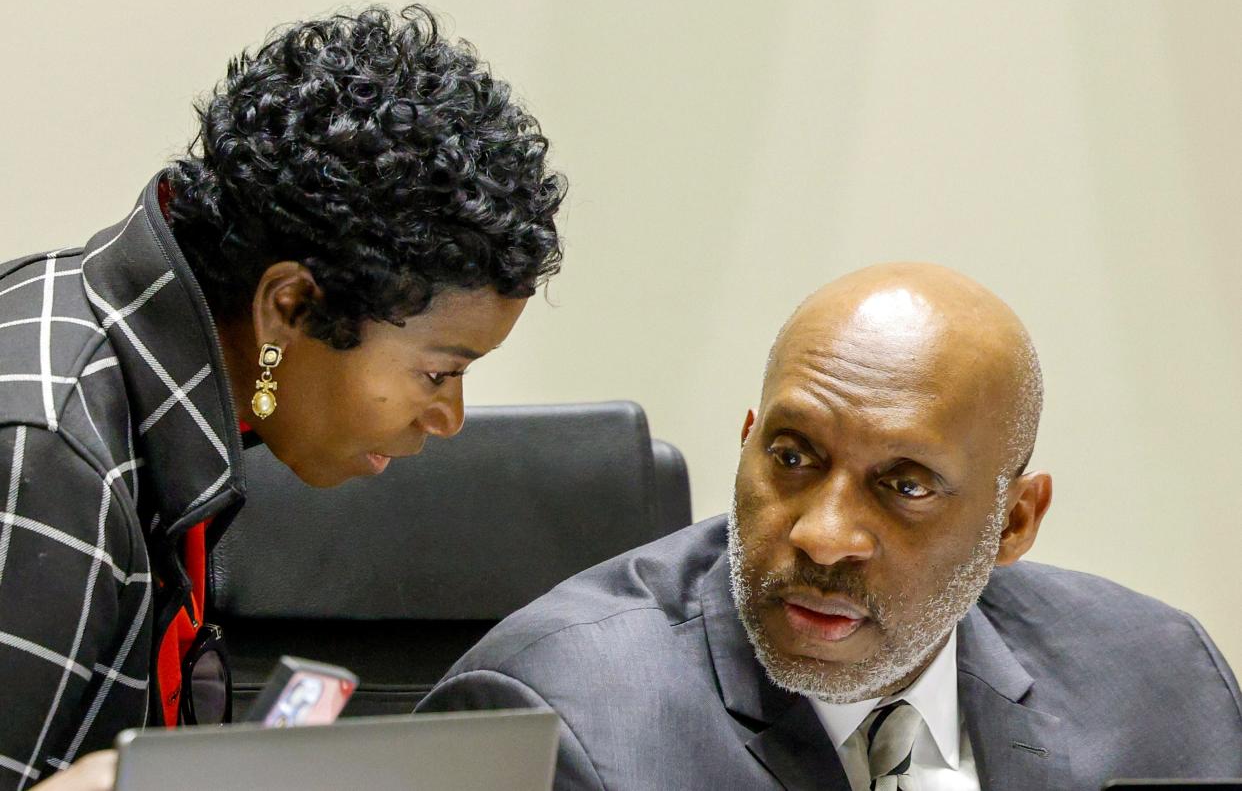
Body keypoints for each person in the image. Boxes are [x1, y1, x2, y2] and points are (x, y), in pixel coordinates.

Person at [0, 4, 564, 791]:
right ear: (290, 306)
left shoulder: (139, 370)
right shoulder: (52, 458)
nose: (450, 419)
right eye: (438, 373)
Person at [419, 263, 1242, 790]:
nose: (823, 534)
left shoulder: (1162, 684)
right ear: (746, 442)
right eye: (793, 456)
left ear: (1013, 523)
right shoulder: (559, 724)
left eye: (905, 485)